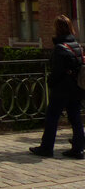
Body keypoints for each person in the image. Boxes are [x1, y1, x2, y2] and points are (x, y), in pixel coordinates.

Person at [30, 15, 85, 159]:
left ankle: (46, 148)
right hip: (77, 88)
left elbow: (57, 72)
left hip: (62, 89)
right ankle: (78, 148)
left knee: (52, 117)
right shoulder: (77, 46)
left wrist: (50, 82)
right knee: (75, 117)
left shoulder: (60, 48)